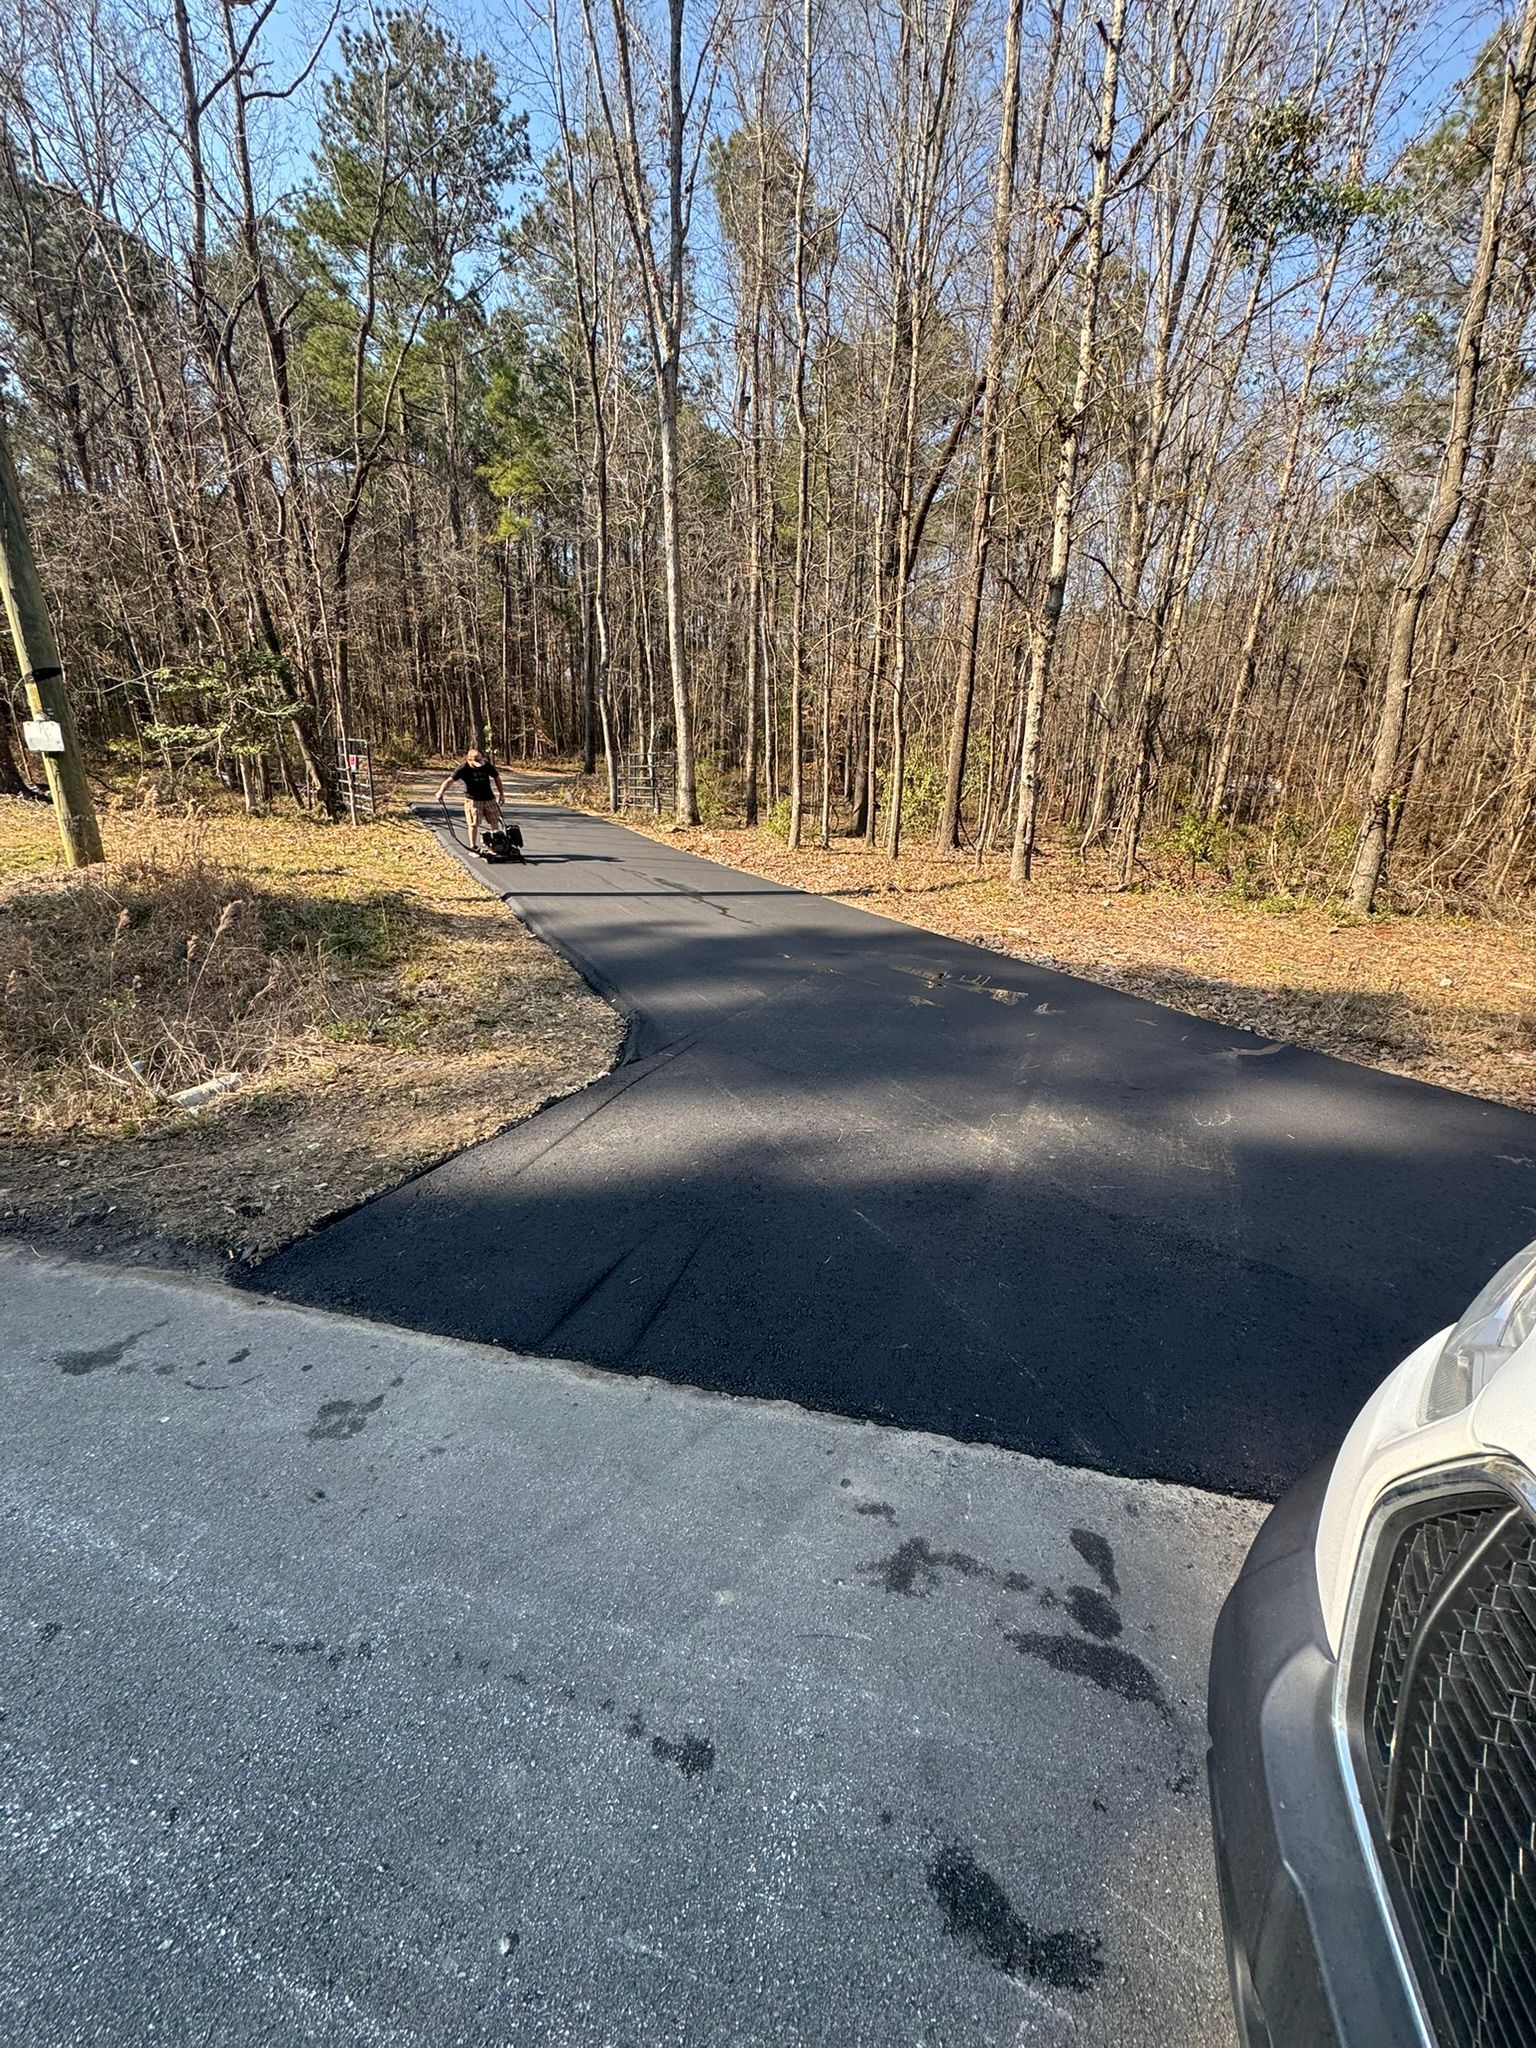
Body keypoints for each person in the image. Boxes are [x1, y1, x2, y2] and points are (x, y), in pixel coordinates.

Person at [434, 747, 506, 856]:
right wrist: (440, 791)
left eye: (480, 761)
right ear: (469, 760)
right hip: (473, 800)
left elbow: (497, 778)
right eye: (477, 762)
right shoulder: (463, 768)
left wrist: (501, 794)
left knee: (494, 821)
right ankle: (473, 848)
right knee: (473, 823)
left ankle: (495, 845)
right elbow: (449, 781)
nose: (479, 764)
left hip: (489, 798)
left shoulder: (486, 765)